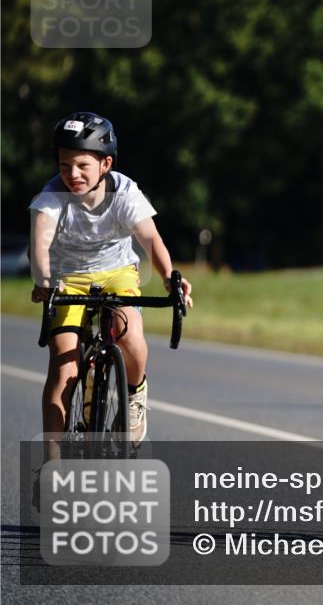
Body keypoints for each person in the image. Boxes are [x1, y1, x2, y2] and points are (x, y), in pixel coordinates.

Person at [29, 111, 193, 462]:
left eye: (82, 165)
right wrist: (43, 281)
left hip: (116, 271)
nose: (71, 174)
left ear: (105, 164)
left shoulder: (124, 192)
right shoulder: (51, 196)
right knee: (64, 369)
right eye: (64, 164)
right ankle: (52, 462)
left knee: (131, 337)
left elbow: (151, 239)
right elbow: (40, 244)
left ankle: (133, 398)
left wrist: (168, 278)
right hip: (67, 277)